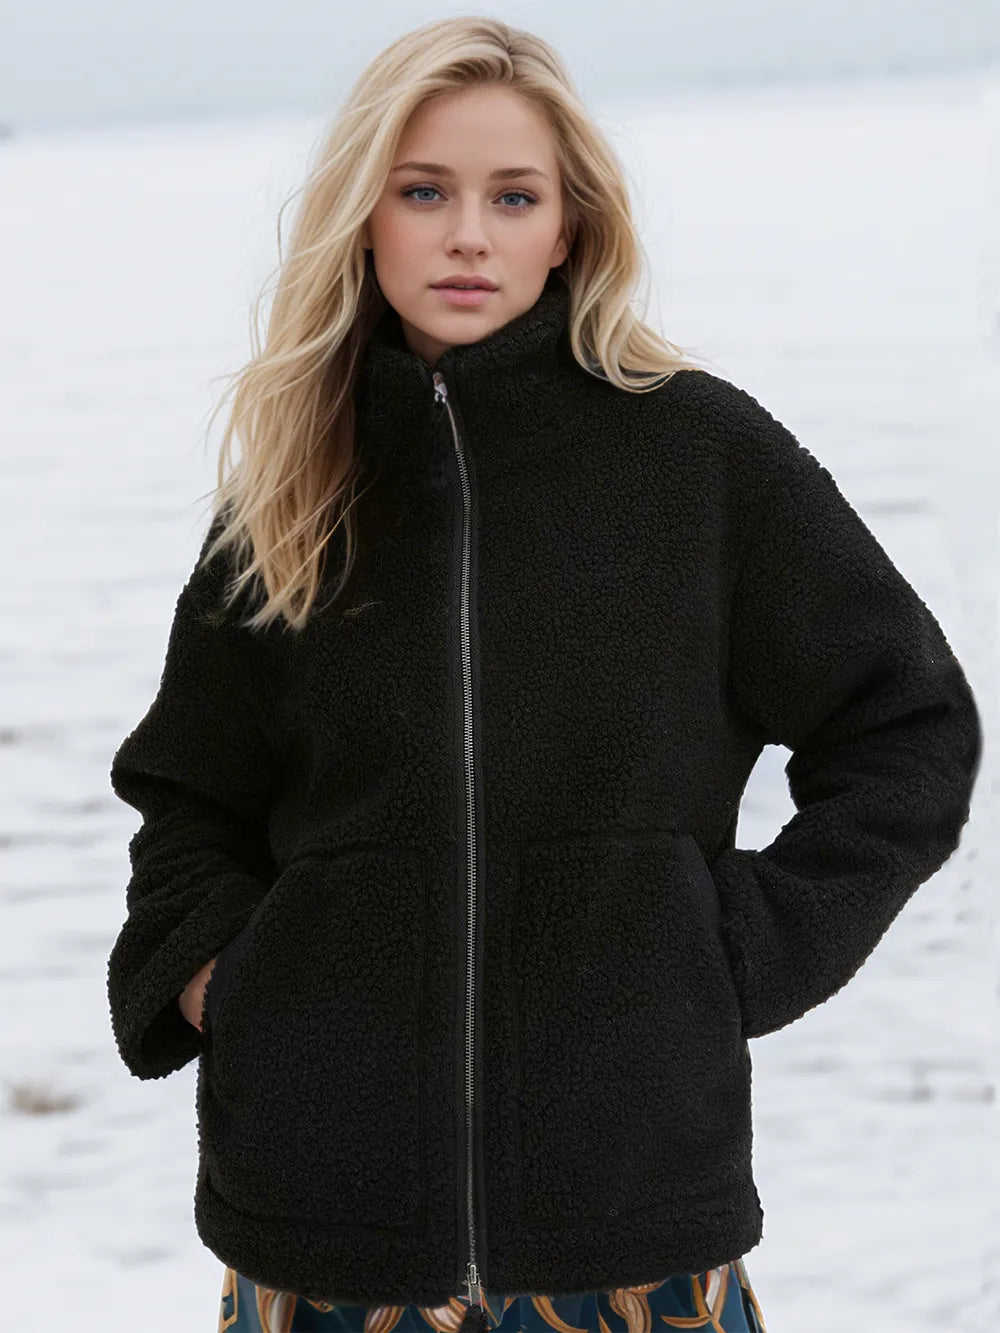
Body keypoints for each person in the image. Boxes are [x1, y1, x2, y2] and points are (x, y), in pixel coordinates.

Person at [105, 16, 981, 1333]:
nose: (469, 234)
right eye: (424, 192)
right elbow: (190, 804)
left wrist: (729, 953)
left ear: (569, 227)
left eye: (513, 197)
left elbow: (905, 728)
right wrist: (231, 989)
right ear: (365, 218)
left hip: (631, 1241)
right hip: (325, 1242)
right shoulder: (297, 493)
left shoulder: (697, 457)